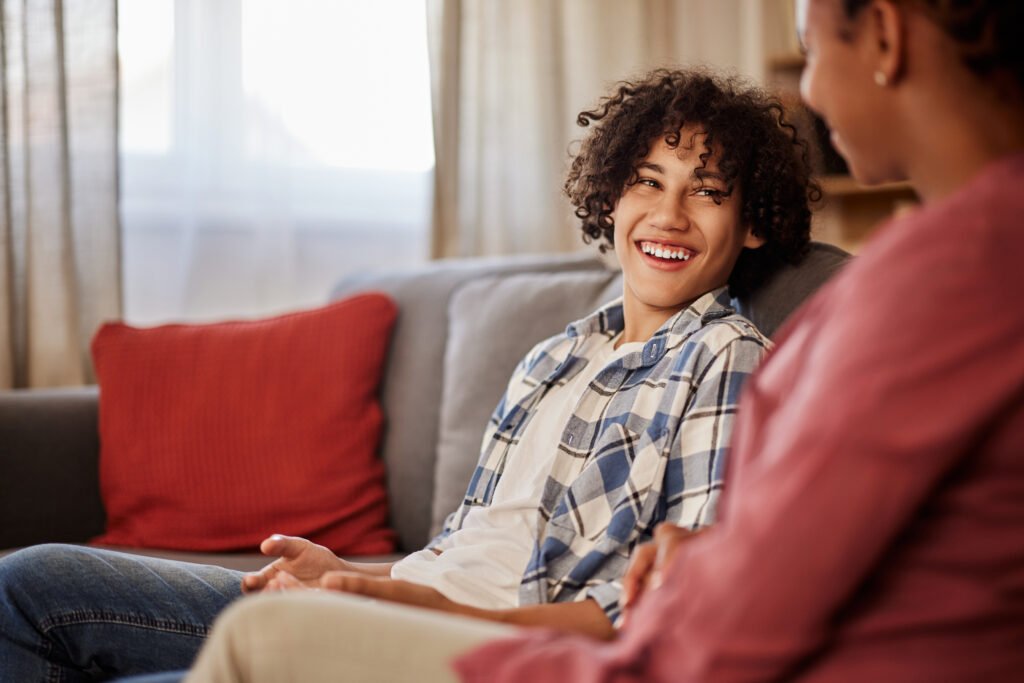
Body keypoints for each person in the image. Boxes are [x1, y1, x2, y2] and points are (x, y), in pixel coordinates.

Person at [183, 0, 1024, 681]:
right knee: (54, 582)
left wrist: (669, 590)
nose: (812, 89)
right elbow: (785, 552)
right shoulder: (933, 265)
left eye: (806, 50)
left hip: (640, 654)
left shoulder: (933, 279)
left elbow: (731, 623)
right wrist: (374, 580)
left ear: (881, 32)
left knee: (260, 637)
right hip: (594, 622)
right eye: (647, 183)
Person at [0, 68, 816, 681]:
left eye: (707, 193)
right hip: (395, 606)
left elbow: (666, 608)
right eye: (649, 181)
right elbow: (465, 547)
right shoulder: (553, 357)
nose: (670, 215)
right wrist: (354, 575)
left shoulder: (727, 360)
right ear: (612, 194)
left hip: (476, 643)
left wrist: (411, 606)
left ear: (751, 227)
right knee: (28, 583)